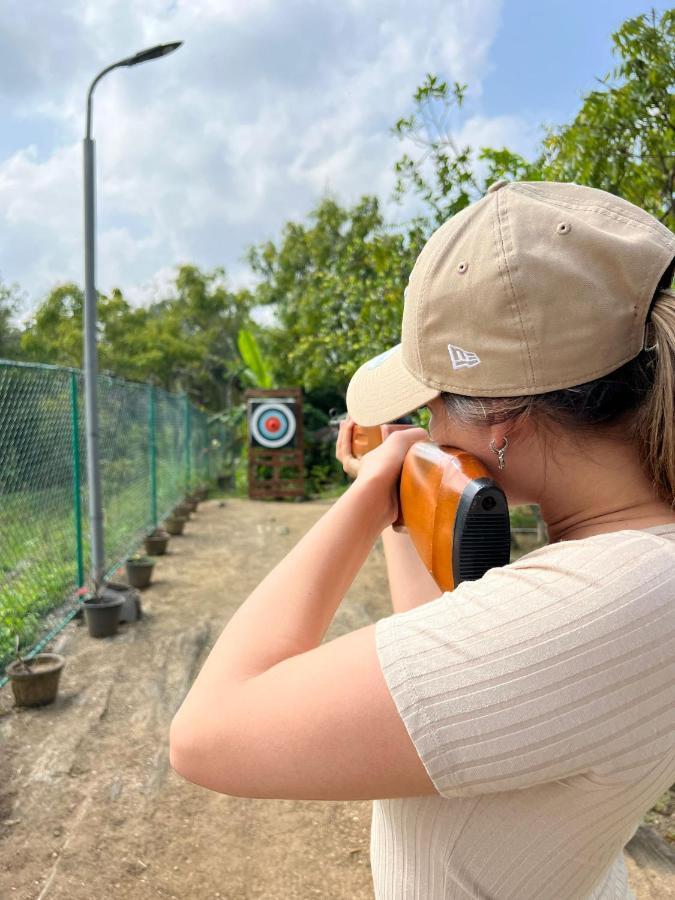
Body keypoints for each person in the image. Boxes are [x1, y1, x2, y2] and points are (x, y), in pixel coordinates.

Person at [170, 180, 675, 900]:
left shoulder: (616, 598)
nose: (427, 428)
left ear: (500, 417)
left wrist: (365, 495)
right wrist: (403, 510)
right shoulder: (626, 568)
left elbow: (206, 733)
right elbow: (439, 647)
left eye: (430, 403)